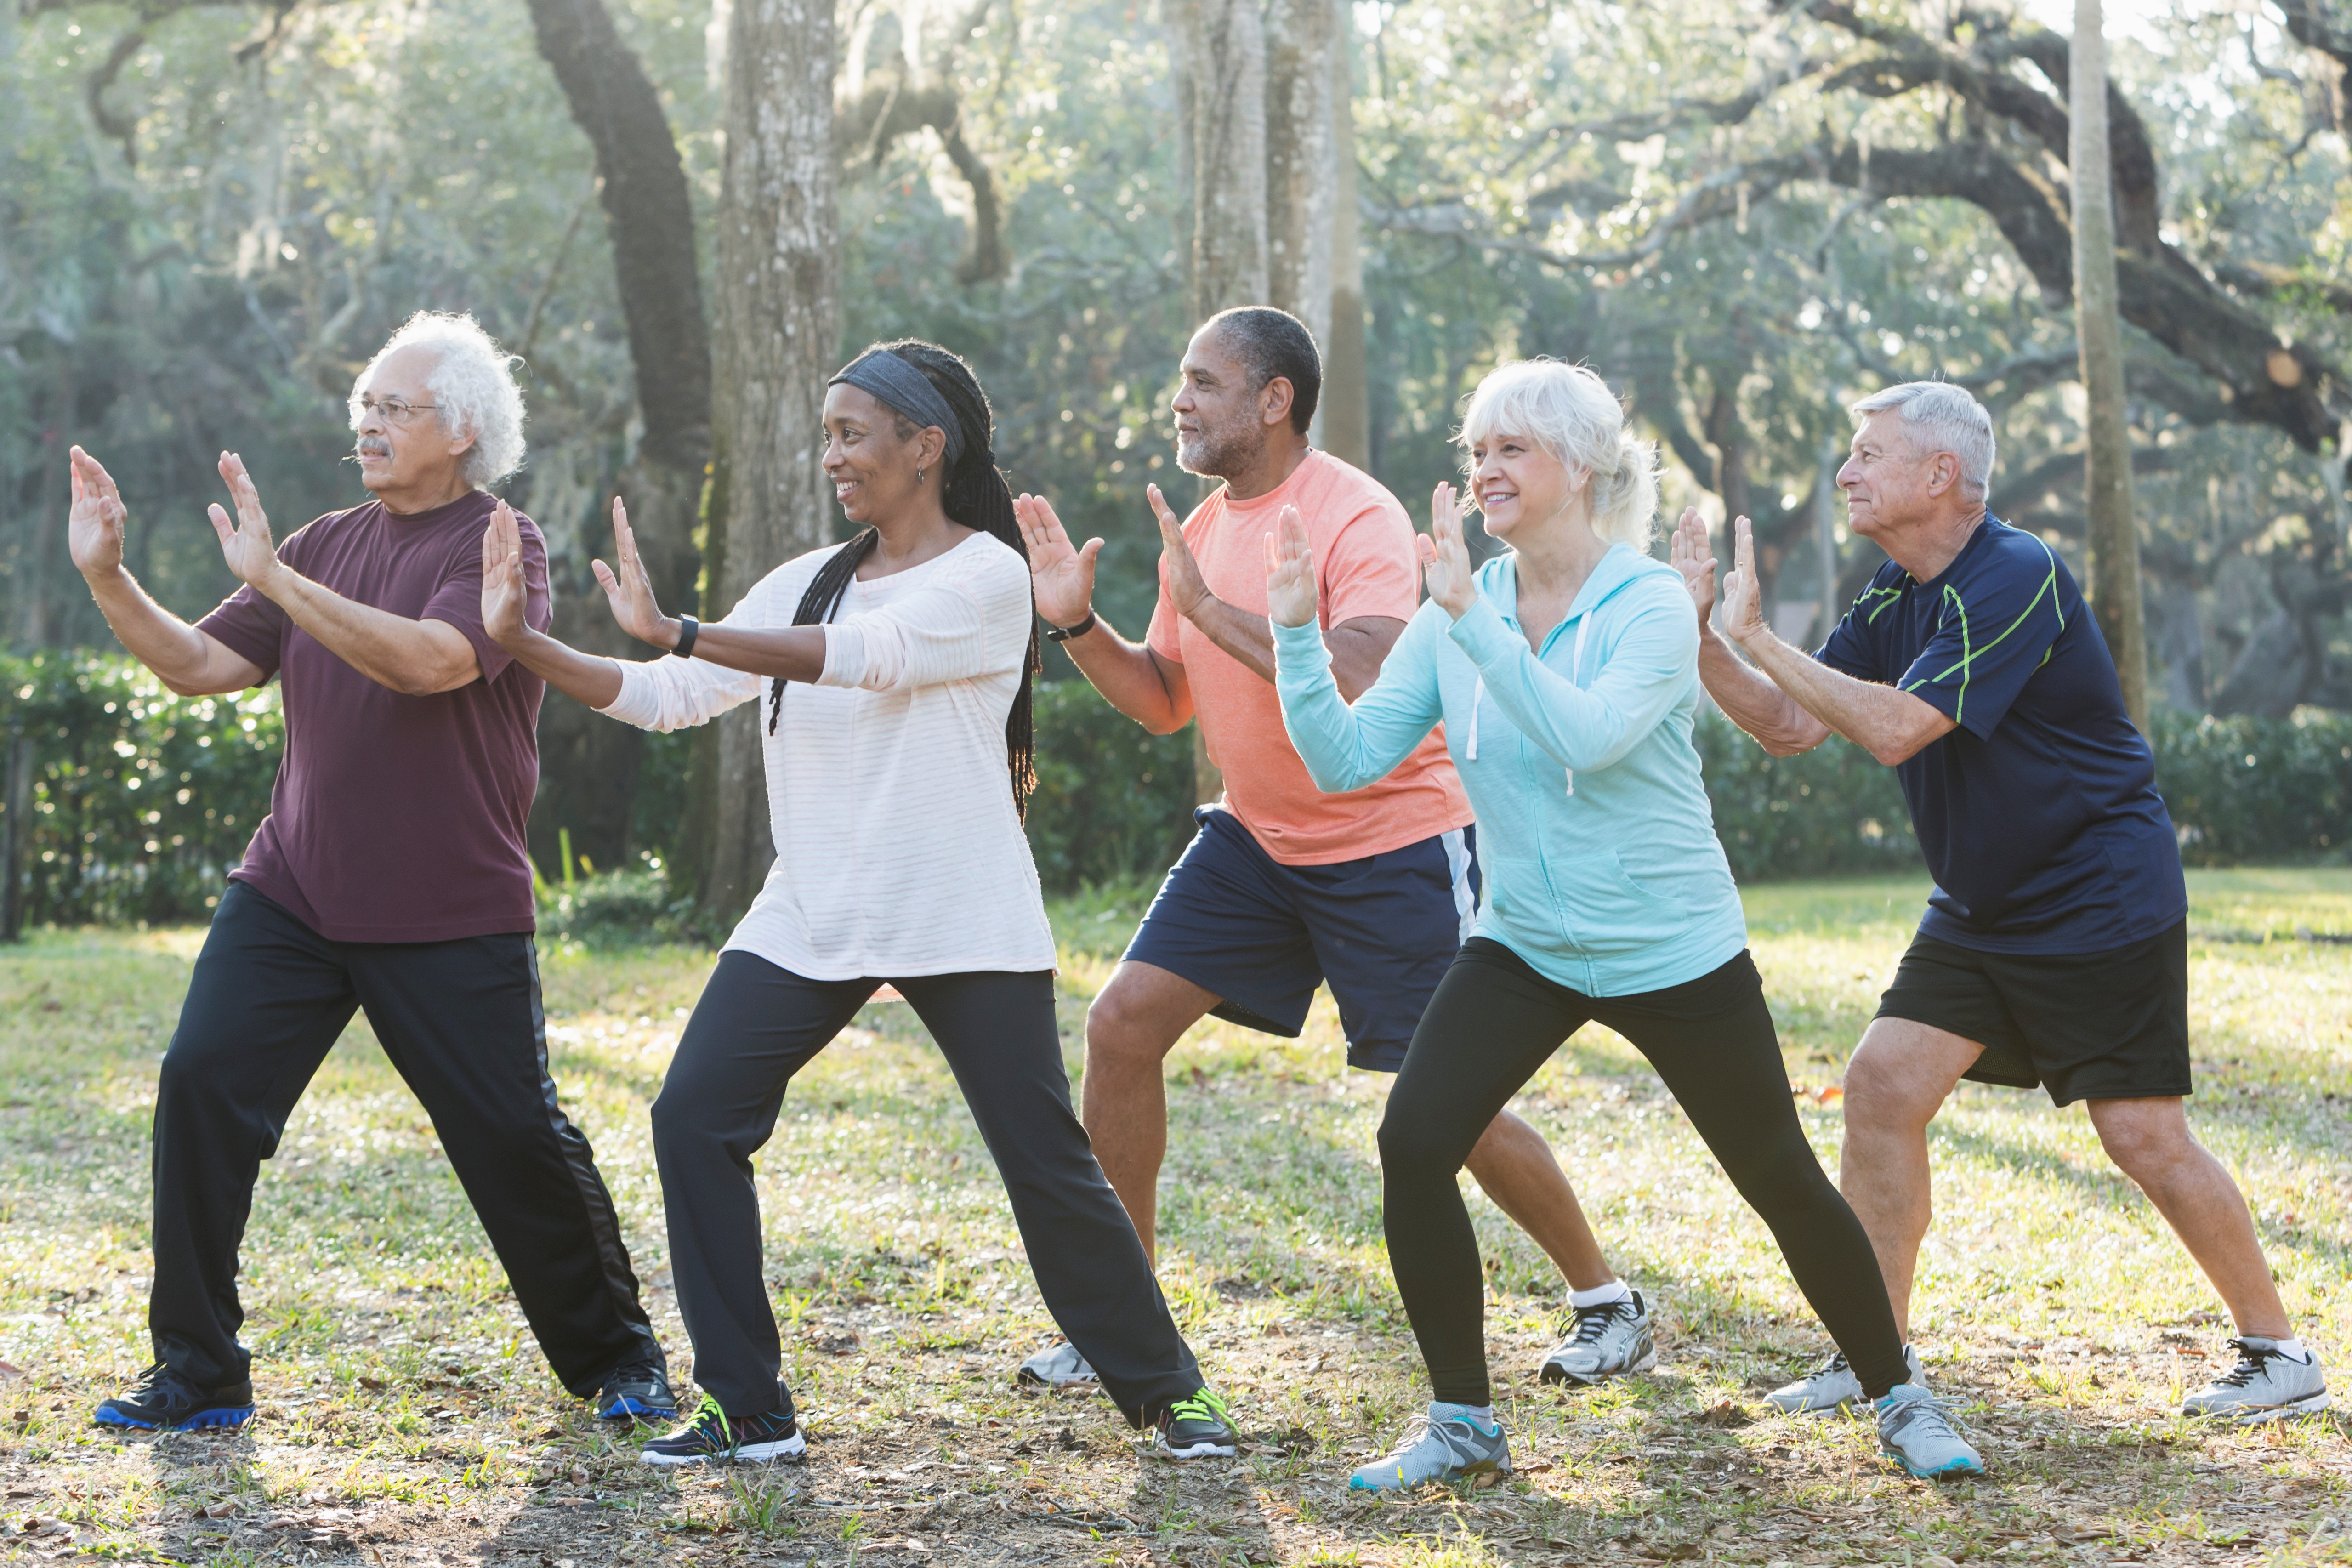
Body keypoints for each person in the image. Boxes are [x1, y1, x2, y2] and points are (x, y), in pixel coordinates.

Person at [479, 338, 1236, 1465]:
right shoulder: (806, 577)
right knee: (694, 1116)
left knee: (1045, 1158)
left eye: (853, 433)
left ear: (925, 446)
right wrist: (528, 643)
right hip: (814, 910)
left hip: (959, 907)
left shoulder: (986, 576)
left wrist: (680, 624)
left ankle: (1168, 1391)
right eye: (827, 434)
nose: (832, 455)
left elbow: (864, 658)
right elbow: (671, 694)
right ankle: (748, 1404)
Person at [1267, 358, 1985, 1487]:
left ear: (1585, 469)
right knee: (1413, 1142)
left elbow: (1587, 738)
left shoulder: (1647, 600)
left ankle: (1900, 1393)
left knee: (1779, 1176)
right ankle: (1462, 1418)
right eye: (1477, 451)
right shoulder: (1462, 602)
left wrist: (1471, 621)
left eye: (1513, 448)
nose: (1486, 470)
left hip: (1672, 947)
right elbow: (1346, 758)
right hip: (1527, 944)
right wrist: (1294, 637)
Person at [1012, 307, 1654, 1393]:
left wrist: (1212, 610)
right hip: (1258, 837)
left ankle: (1606, 1299)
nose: (1181, 401)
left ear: (1274, 399)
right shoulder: (1206, 527)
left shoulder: (1351, 509)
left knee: (1450, 1104)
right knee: (1121, 1025)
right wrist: (1077, 626)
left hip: (1388, 838)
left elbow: (1358, 669)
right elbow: (1168, 702)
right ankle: (1123, 1316)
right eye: (1184, 380)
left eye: (1204, 381)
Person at [1674, 379, 2327, 1424]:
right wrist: (1704, 632)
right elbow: (1792, 725)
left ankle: (2277, 1348)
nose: (1846, 471)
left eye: (1867, 453)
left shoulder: (2014, 571)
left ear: (1941, 474)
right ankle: (1875, 1354)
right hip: (1982, 902)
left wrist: (1757, 636)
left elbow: (1895, 728)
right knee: (1883, 1087)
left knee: (2143, 1135)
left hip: (2097, 890)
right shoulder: (1895, 590)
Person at [66, 311, 672, 1433]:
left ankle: (619, 1359)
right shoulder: (318, 541)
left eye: (394, 407)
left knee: (513, 1137)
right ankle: (198, 1368)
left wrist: (283, 587)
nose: (369, 423)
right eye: (365, 406)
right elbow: (204, 664)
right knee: (201, 1082)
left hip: (448, 905)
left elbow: (436, 663)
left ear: (463, 431)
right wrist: (109, 577)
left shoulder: (503, 543)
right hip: (293, 887)